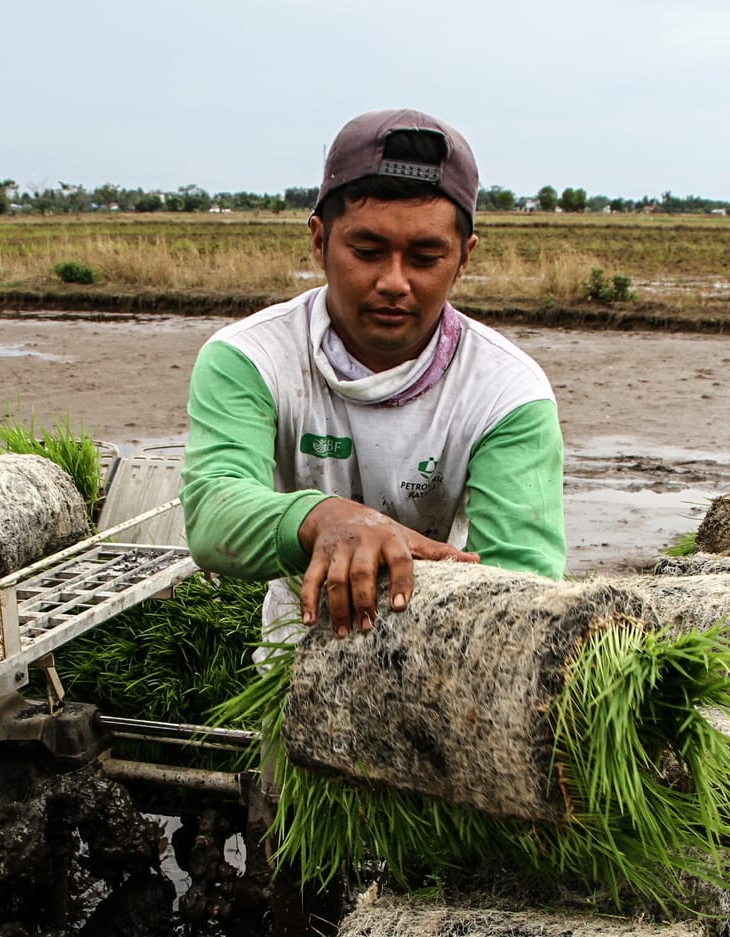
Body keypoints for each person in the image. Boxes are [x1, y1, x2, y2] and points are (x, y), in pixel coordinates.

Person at [180, 108, 567, 639]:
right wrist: (326, 519)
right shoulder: (251, 358)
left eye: (426, 257)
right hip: (297, 648)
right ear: (319, 241)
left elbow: (522, 583)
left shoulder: (506, 394)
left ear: (464, 257)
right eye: (367, 251)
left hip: (440, 650)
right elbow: (214, 513)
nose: (394, 282)